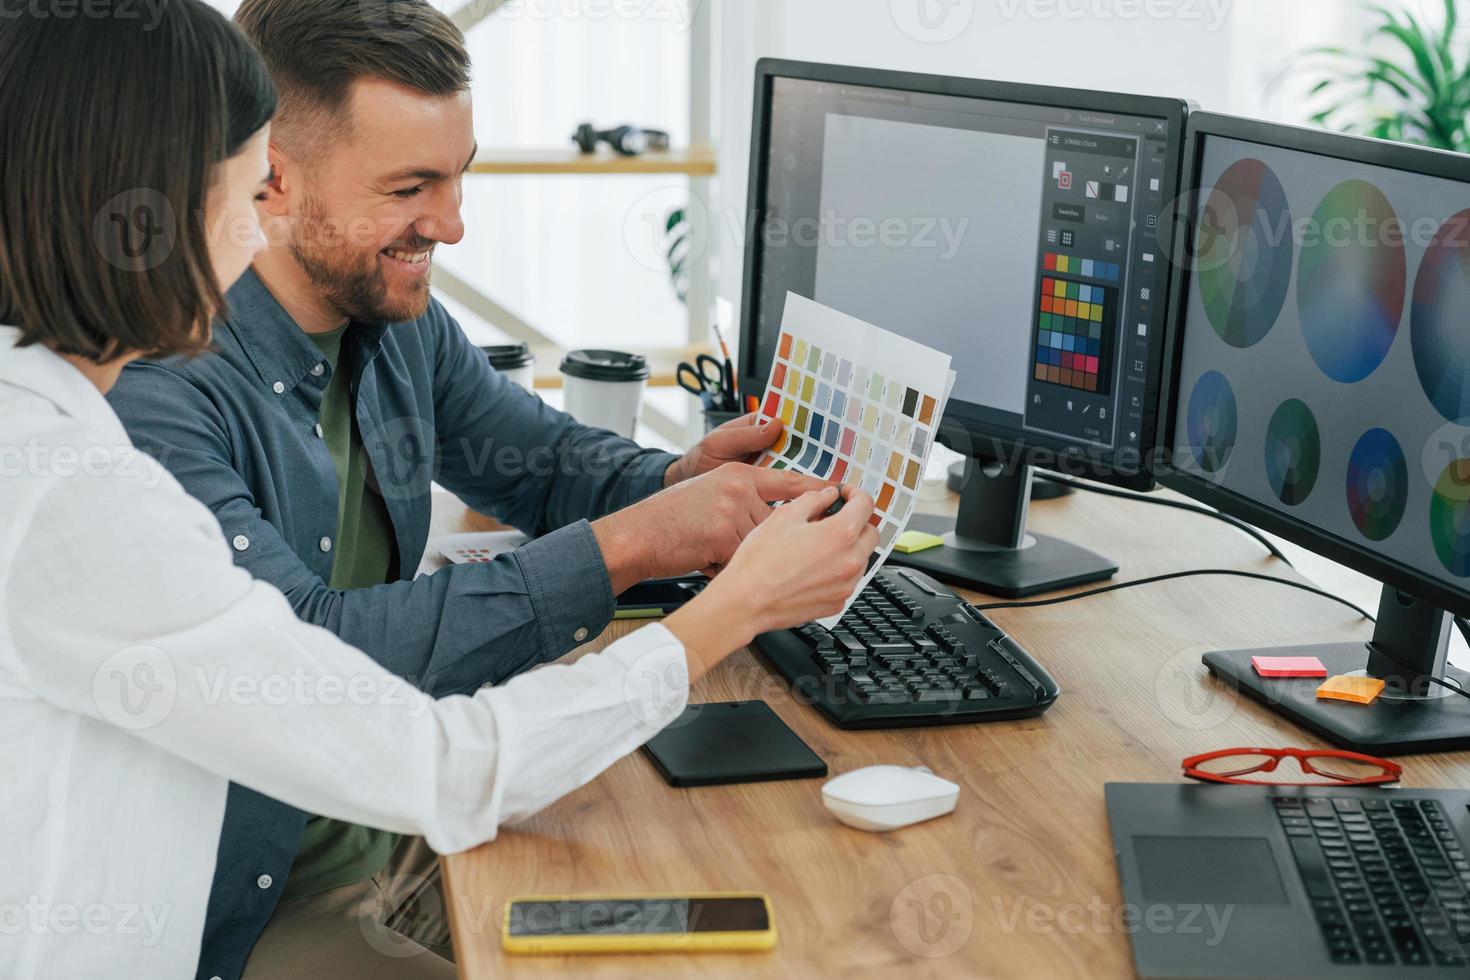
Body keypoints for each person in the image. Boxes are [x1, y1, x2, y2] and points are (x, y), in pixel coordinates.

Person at [0, 5, 878, 979]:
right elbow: (392, 720)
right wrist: (727, 607)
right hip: (260, 904)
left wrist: (681, 487)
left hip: (388, 832)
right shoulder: (88, 480)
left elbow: (533, 458)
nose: (452, 223)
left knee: (737, 900)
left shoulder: (358, 320)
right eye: (240, 191)